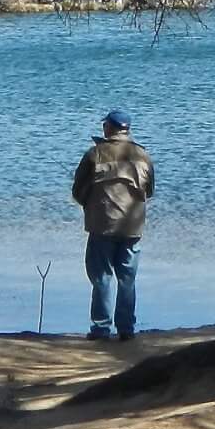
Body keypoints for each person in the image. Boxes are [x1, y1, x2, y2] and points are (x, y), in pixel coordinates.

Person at [71, 107, 153, 341]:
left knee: (102, 276)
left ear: (109, 128)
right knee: (127, 279)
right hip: (133, 227)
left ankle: (101, 328)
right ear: (127, 130)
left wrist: (91, 203)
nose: (103, 128)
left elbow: (77, 191)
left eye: (104, 125)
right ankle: (126, 329)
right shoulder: (143, 155)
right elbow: (150, 190)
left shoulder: (94, 154)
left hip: (102, 225)